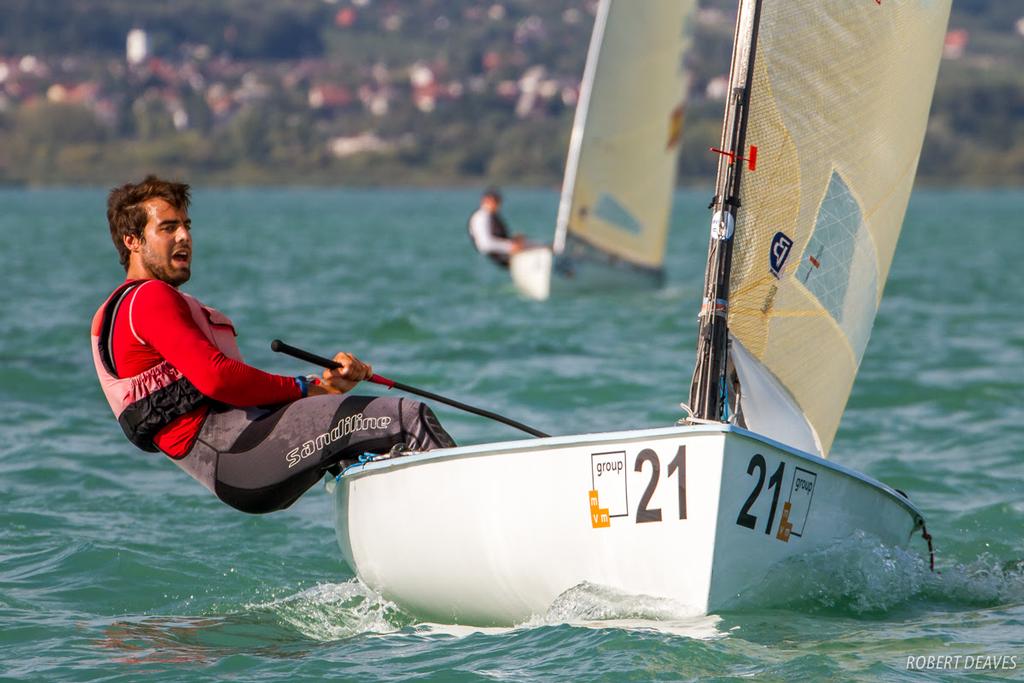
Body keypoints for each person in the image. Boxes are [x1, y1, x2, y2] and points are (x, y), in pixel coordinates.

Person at [91, 175, 456, 514]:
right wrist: (303, 388)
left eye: (186, 226)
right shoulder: (150, 299)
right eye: (168, 228)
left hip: (244, 460)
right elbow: (218, 380)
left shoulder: (124, 309)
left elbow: (238, 396)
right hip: (242, 456)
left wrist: (324, 388)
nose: (184, 236)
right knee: (409, 417)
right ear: (132, 241)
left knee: (371, 443)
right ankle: (472, 526)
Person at [467, 187, 525, 268]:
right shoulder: (481, 217)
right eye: (495, 201)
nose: (498, 205)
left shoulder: (492, 216)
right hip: (493, 257)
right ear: (486, 200)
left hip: (500, 253)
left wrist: (514, 242)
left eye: (498, 202)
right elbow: (485, 244)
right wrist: (510, 246)